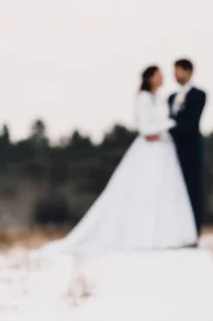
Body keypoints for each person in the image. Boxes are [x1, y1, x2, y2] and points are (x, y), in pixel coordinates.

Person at [37, 66, 197, 254]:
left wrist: (166, 128)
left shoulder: (162, 97)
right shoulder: (144, 97)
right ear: (150, 78)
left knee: (165, 190)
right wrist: (167, 126)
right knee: (144, 190)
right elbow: (145, 126)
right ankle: (142, 234)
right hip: (150, 149)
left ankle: (168, 234)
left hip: (164, 149)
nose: (163, 78)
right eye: (159, 75)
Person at [146, 59, 207, 238]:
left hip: (191, 152)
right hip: (171, 152)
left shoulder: (199, 95)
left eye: (178, 71)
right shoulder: (171, 97)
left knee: (193, 192)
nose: (175, 75)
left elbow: (190, 123)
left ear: (188, 72)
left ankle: (194, 233)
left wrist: (165, 132)